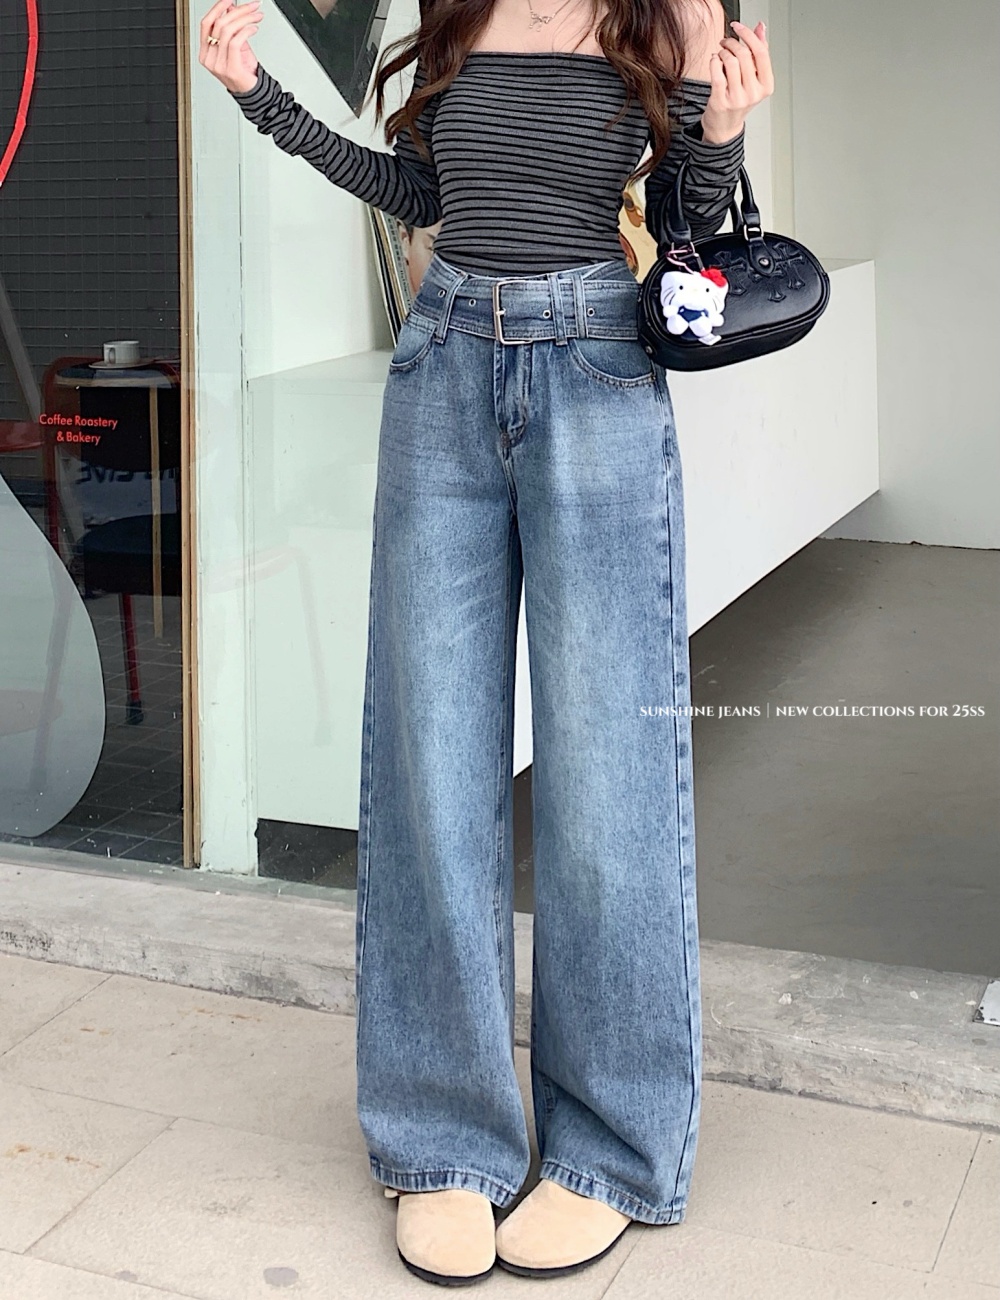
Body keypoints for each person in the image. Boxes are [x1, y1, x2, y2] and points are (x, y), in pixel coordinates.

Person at [199, 0, 772, 1285]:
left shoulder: (659, 16)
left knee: (608, 778)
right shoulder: (454, 11)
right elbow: (416, 191)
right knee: (431, 763)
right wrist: (259, 99)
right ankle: (443, 1141)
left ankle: (611, 1149)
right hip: (444, 367)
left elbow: (685, 230)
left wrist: (719, 122)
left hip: (598, 374)